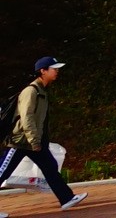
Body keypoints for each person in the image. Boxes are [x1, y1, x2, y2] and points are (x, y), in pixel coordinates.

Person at [0, 57, 85, 210]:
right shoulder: (30, 91)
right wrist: (34, 140)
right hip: (20, 141)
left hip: (34, 142)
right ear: (43, 71)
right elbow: (27, 117)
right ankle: (67, 197)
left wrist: (40, 141)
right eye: (54, 68)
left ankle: (67, 198)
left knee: (50, 168)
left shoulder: (42, 92)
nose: (57, 71)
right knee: (2, 172)